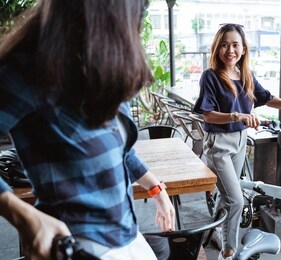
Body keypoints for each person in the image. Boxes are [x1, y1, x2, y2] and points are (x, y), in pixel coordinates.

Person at [0, 1, 175, 260]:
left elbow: (119, 150)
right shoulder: (31, 67)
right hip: (77, 244)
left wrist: (156, 190)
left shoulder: (103, 61)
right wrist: (20, 213)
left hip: (126, 235)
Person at [193, 23, 281, 260]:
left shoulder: (245, 76)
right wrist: (237, 116)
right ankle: (229, 251)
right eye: (224, 45)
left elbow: (268, 99)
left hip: (240, 140)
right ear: (217, 48)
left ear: (244, 49)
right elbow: (207, 114)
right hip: (220, 144)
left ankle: (211, 231)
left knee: (228, 196)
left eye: (235, 44)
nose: (230, 50)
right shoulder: (211, 76)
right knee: (235, 201)